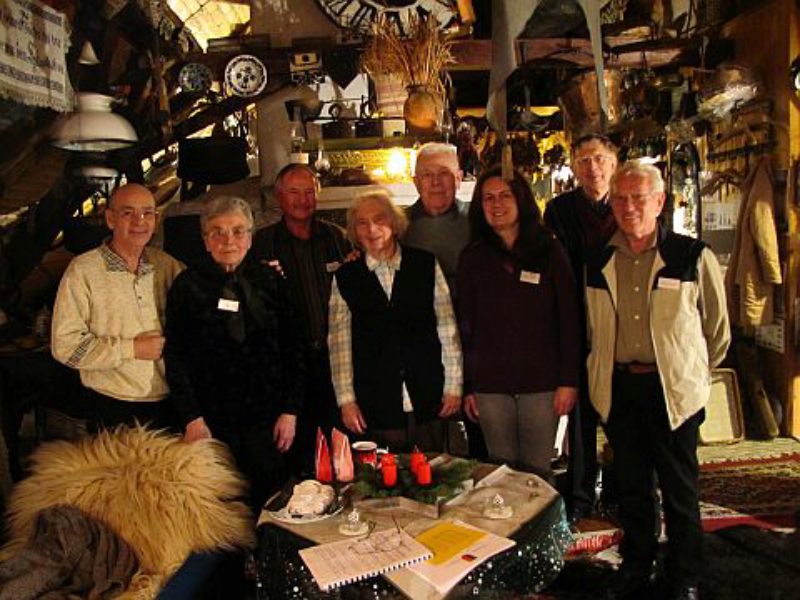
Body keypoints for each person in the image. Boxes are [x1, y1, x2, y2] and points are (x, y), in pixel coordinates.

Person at [585, 162, 730, 600]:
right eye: (621, 198)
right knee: (632, 488)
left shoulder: (690, 256)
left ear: (660, 202)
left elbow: (718, 331)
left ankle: (684, 575)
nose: (629, 207)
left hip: (672, 393)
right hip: (620, 389)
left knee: (680, 491)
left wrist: (689, 373)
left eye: (639, 197)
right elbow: (592, 328)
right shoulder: (598, 260)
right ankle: (637, 564)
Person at [164, 196, 304, 508]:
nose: (228, 240)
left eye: (238, 231)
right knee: (221, 505)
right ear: (205, 239)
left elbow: (294, 348)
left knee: (273, 500)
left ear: (251, 236)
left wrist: (290, 411)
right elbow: (175, 356)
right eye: (218, 232)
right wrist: (191, 418)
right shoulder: (187, 287)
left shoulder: (271, 279)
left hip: (269, 417)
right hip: (212, 420)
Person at [457, 166, 580, 480]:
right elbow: (465, 328)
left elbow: (569, 318)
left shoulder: (550, 250)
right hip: (490, 387)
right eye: (488, 198)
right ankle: (507, 532)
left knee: (538, 472)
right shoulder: (472, 257)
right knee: (501, 473)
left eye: (504, 195)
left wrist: (569, 380)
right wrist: (469, 386)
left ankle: (542, 530)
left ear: (521, 200)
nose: (496, 204)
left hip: (542, 385)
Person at [328, 190, 462, 452]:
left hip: (429, 394)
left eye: (380, 220)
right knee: (385, 484)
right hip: (375, 402)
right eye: (362, 223)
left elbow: (447, 329)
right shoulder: (346, 277)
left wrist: (454, 386)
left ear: (395, 223)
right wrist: (346, 401)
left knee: (436, 477)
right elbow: (339, 346)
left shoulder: (424, 264)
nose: (372, 229)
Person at [52, 183, 183, 431]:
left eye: (147, 213)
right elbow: (66, 347)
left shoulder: (166, 265)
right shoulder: (83, 271)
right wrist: (131, 349)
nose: (139, 221)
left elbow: (202, 300)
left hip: (169, 404)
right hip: (112, 407)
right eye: (128, 213)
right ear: (110, 219)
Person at [250, 164, 350, 475]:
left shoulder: (337, 239)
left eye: (309, 192)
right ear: (279, 196)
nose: (302, 199)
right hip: (287, 367)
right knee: (297, 452)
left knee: (339, 450)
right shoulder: (260, 244)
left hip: (334, 362)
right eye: (294, 192)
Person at [544, 133, 619, 521]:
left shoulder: (626, 203)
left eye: (600, 158)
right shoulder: (559, 210)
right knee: (581, 420)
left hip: (622, 324)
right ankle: (581, 496)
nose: (593, 167)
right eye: (585, 160)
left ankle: (624, 492)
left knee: (623, 417)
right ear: (574, 167)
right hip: (576, 319)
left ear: (614, 162)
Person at [404, 142, 485, 458]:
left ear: (461, 178)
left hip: (476, 341)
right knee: (436, 438)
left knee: (480, 433)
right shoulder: (399, 227)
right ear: (415, 181)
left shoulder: (479, 223)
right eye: (427, 175)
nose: (436, 182)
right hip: (426, 348)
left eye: (444, 174)